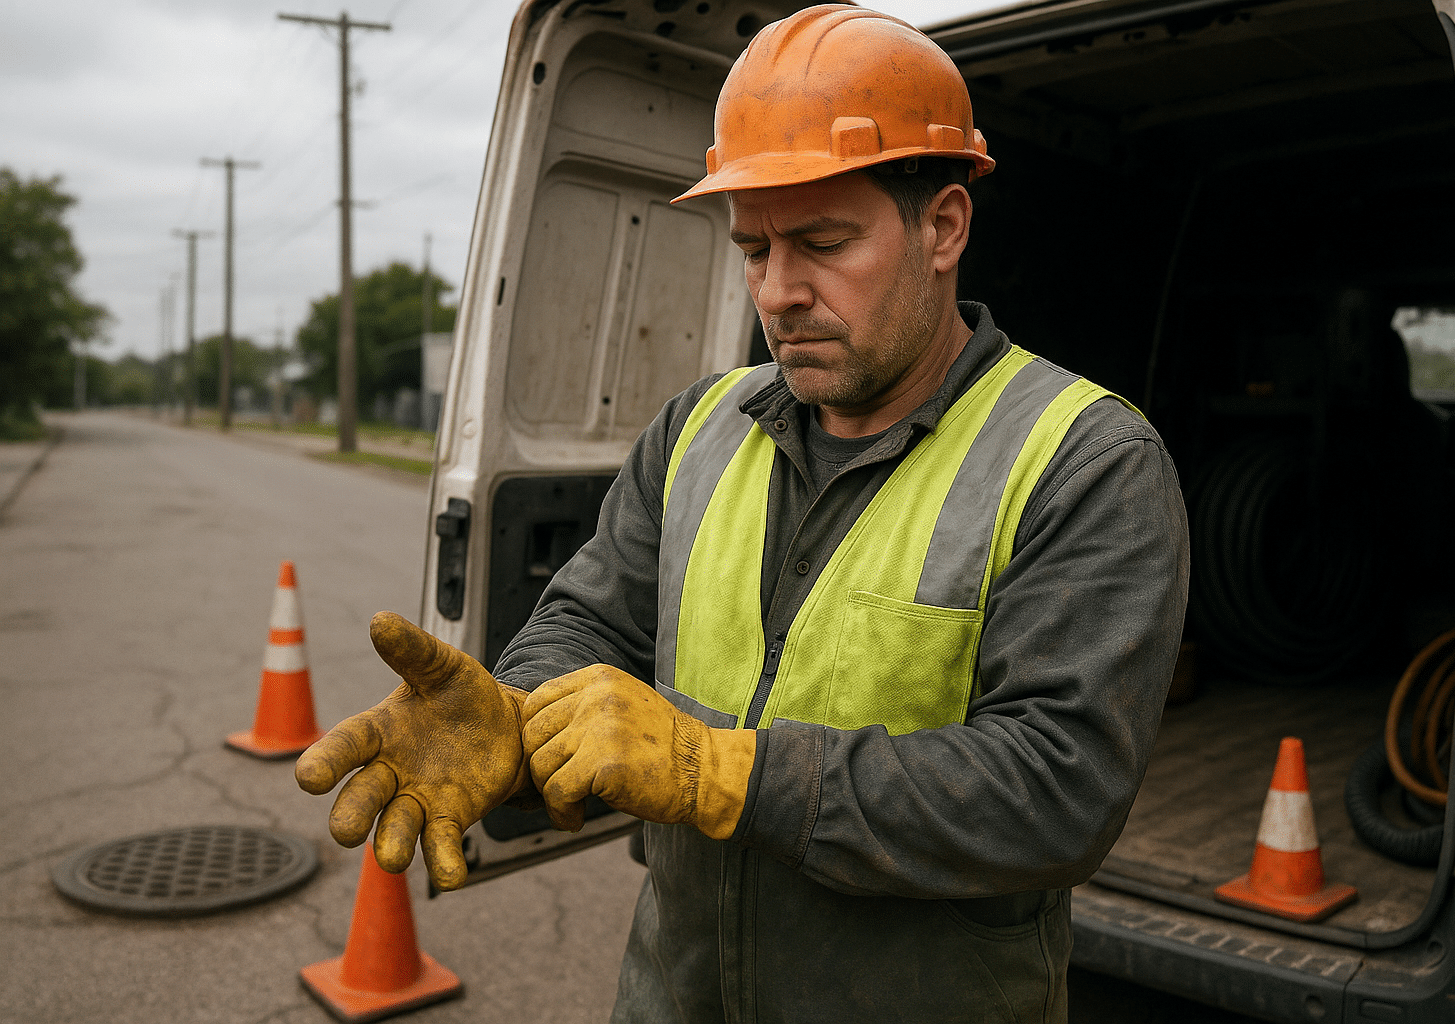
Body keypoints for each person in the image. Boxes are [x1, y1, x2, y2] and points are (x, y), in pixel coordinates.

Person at [297, 6, 1189, 1022]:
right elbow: (591, 617)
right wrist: (517, 708)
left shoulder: (1082, 460)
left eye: (823, 242)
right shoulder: (699, 425)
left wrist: (720, 771)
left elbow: (1055, 790)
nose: (779, 291)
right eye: (754, 248)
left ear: (944, 227)